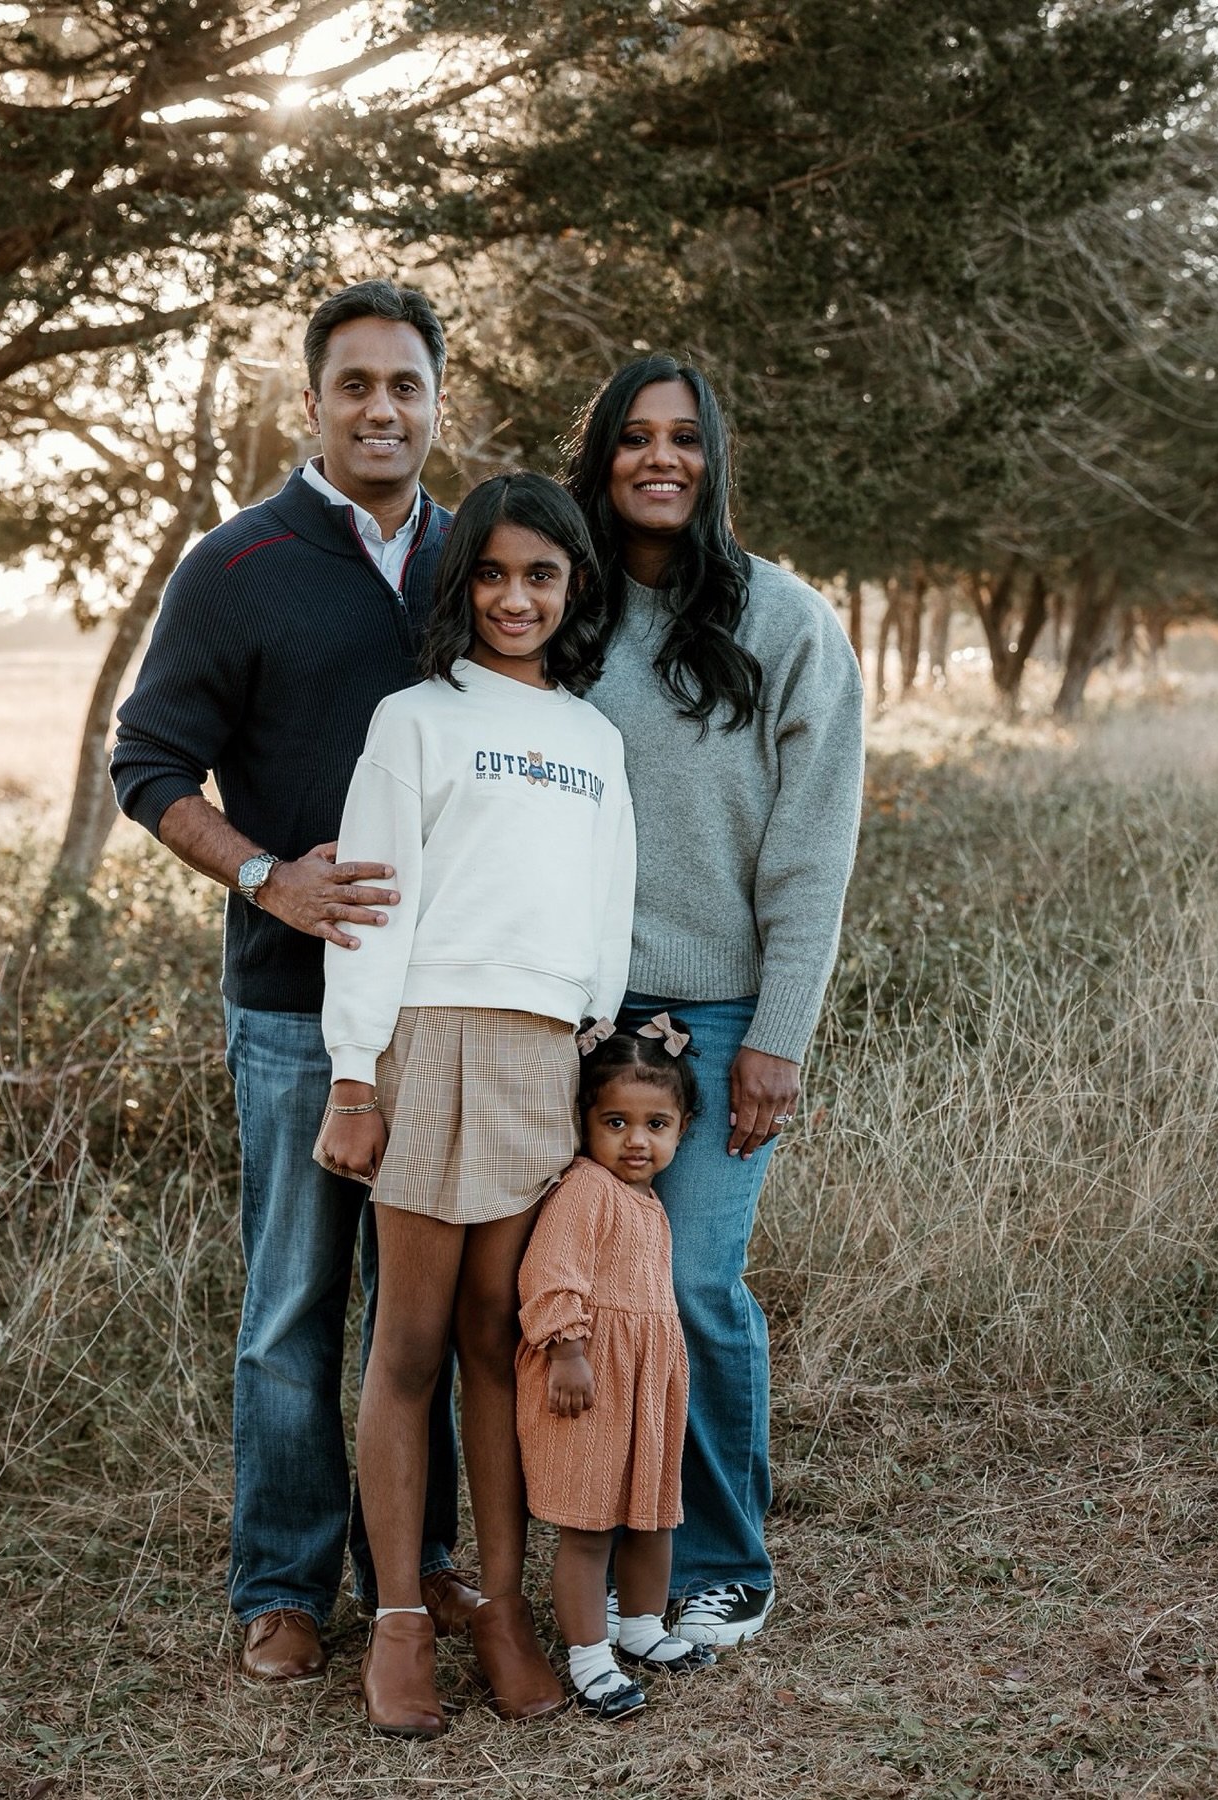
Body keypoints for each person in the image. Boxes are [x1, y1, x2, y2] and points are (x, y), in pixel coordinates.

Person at [110, 279, 477, 1685]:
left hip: (449, 1007)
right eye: (356, 386)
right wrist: (273, 877)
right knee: (293, 1302)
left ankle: (419, 1567)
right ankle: (278, 1584)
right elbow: (149, 767)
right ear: (311, 402)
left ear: (437, 403)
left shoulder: (478, 557)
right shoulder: (237, 564)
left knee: (427, 1305)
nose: (382, 409)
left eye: (406, 387)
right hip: (289, 1002)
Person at [315, 471, 636, 1737]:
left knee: (503, 1337)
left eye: (541, 575)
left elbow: (604, 906)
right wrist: (355, 1074)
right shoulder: (415, 719)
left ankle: (501, 1609)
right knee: (409, 1340)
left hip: (542, 1053)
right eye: (493, 574)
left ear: (573, 588)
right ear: (464, 586)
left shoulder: (595, 739)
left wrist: (592, 1043)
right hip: (429, 1038)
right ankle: (400, 1619)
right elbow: (370, 902)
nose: (515, 597)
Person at [563, 354, 865, 1646]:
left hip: (726, 1012)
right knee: (570, 1289)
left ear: (715, 457)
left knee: (691, 1286)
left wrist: (779, 1040)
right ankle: (602, 1560)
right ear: (603, 457)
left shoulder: (787, 622)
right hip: (575, 1011)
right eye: (634, 436)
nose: (660, 459)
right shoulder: (558, 614)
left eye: (684, 437)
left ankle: (725, 1556)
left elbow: (813, 848)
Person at [517, 1015, 716, 1719]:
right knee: (591, 1524)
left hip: (647, 1383)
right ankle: (589, 1657)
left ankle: (642, 1628)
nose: (637, 1140)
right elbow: (549, 1276)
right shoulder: (585, 1190)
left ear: (681, 1128)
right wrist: (567, 1350)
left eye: (656, 1124)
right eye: (617, 1122)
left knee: (653, 1514)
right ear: (585, 1122)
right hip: (591, 1380)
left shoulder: (650, 1200)